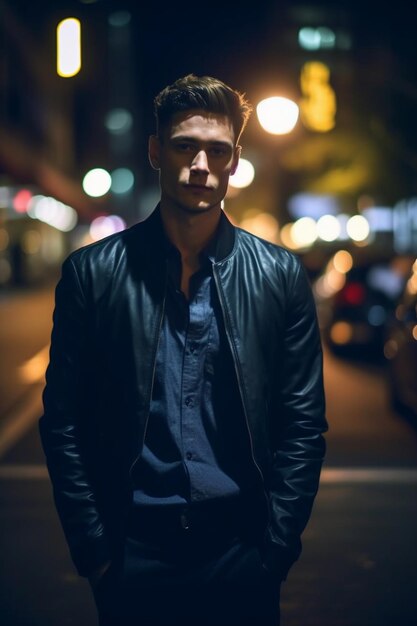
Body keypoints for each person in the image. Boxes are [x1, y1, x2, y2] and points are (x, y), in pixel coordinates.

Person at [39, 74, 327, 626]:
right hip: (132, 552)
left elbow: (302, 424)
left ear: (235, 160)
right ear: (155, 151)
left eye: (217, 151)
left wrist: (276, 549)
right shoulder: (92, 275)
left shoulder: (280, 275)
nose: (201, 165)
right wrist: (94, 550)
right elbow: (64, 423)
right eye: (184, 146)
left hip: (242, 551)